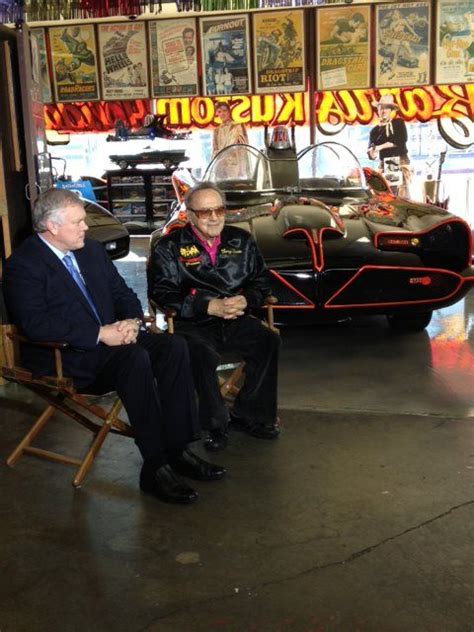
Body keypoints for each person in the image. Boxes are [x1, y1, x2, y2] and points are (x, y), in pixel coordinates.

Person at [3, 189, 226, 505]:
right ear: (52, 227)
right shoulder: (23, 265)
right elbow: (34, 324)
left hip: (115, 340)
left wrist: (132, 322)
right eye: (78, 222)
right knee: (134, 359)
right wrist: (99, 333)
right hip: (67, 355)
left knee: (174, 346)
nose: (85, 227)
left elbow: (123, 294)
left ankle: (178, 450)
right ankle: (155, 466)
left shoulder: (90, 251)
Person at [148, 182, 280, 452]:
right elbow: (162, 293)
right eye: (205, 211)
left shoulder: (241, 239)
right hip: (192, 321)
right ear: (191, 215)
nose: (214, 217)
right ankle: (214, 424)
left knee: (268, 340)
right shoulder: (169, 246)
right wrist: (205, 306)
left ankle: (250, 415)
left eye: (219, 210)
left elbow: (262, 283)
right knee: (200, 353)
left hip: (235, 317)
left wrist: (247, 299)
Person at [367, 93, 412, 198]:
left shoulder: (398, 123)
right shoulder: (374, 131)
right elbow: (371, 154)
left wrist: (379, 147)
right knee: (385, 196)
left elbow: (400, 141)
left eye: (386, 108)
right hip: (384, 165)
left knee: (399, 196)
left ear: (391, 110)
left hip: (398, 162)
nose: (383, 111)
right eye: (380, 108)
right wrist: (373, 153)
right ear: (378, 110)